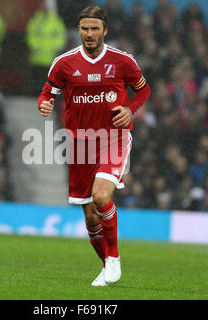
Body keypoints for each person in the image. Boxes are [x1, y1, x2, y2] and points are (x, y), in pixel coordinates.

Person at [37, 6, 150, 286]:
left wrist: (130, 108)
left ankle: (114, 259)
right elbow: (46, 92)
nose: (89, 34)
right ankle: (106, 264)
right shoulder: (64, 63)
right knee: (89, 216)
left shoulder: (122, 61)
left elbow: (144, 89)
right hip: (79, 145)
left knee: (101, 197)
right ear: (79, 30)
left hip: (113, 137)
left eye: (94, 29)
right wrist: (44, 103)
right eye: (85, 29)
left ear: (105, 30)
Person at [26, 2, 67, 95]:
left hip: (50, 58)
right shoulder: (35, 20)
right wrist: (37, 46)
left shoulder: (56, 21)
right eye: (43, 6)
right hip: (37, 58)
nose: (45, 8)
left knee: (48, 83)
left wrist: (53, 47)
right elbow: (30, 35)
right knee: (36, 81)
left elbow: (61, 37)